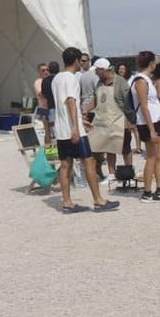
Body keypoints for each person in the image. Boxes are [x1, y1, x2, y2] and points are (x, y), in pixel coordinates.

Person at [50, 47, 114, 213]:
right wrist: (76, 128)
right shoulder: (71, 79)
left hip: (61, 128)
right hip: (73, 129)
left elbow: (63, 105)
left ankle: (67, 202)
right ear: (77, 60)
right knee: (89, 161)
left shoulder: (56, 78)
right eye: (82, 61)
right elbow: (71, 102)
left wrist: (81, 120)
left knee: (65, 165)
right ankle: (98, 200)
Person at [129, 52, 160, 202]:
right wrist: (152, 130)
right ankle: (147, 192)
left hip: (155, 121)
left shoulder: (147, 79)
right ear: (151, 63)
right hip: (147, 123)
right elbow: (144, 106)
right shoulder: (140, 80)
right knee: (151, 157)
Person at [87, 56, 128, 182]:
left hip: (118, 120)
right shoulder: (99, 82)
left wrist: (130, 121)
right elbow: (95, 100)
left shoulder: (120, 82)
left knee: (121, 147)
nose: (95, 73)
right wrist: (85, 111)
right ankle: (106, 173)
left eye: (97, 71)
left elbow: (128, 102)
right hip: (102, 120)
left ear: (103, 70)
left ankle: (125, 172)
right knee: (100, 147)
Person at [32, 61, 56, 137]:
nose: (46, 72)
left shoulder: (51, 80)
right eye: (43, 70)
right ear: (39, 72)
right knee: (47, 131)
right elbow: (41, 94)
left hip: (51, 108)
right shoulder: (38, 82)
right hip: (44, 109)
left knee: (54, 130)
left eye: (47, 70)